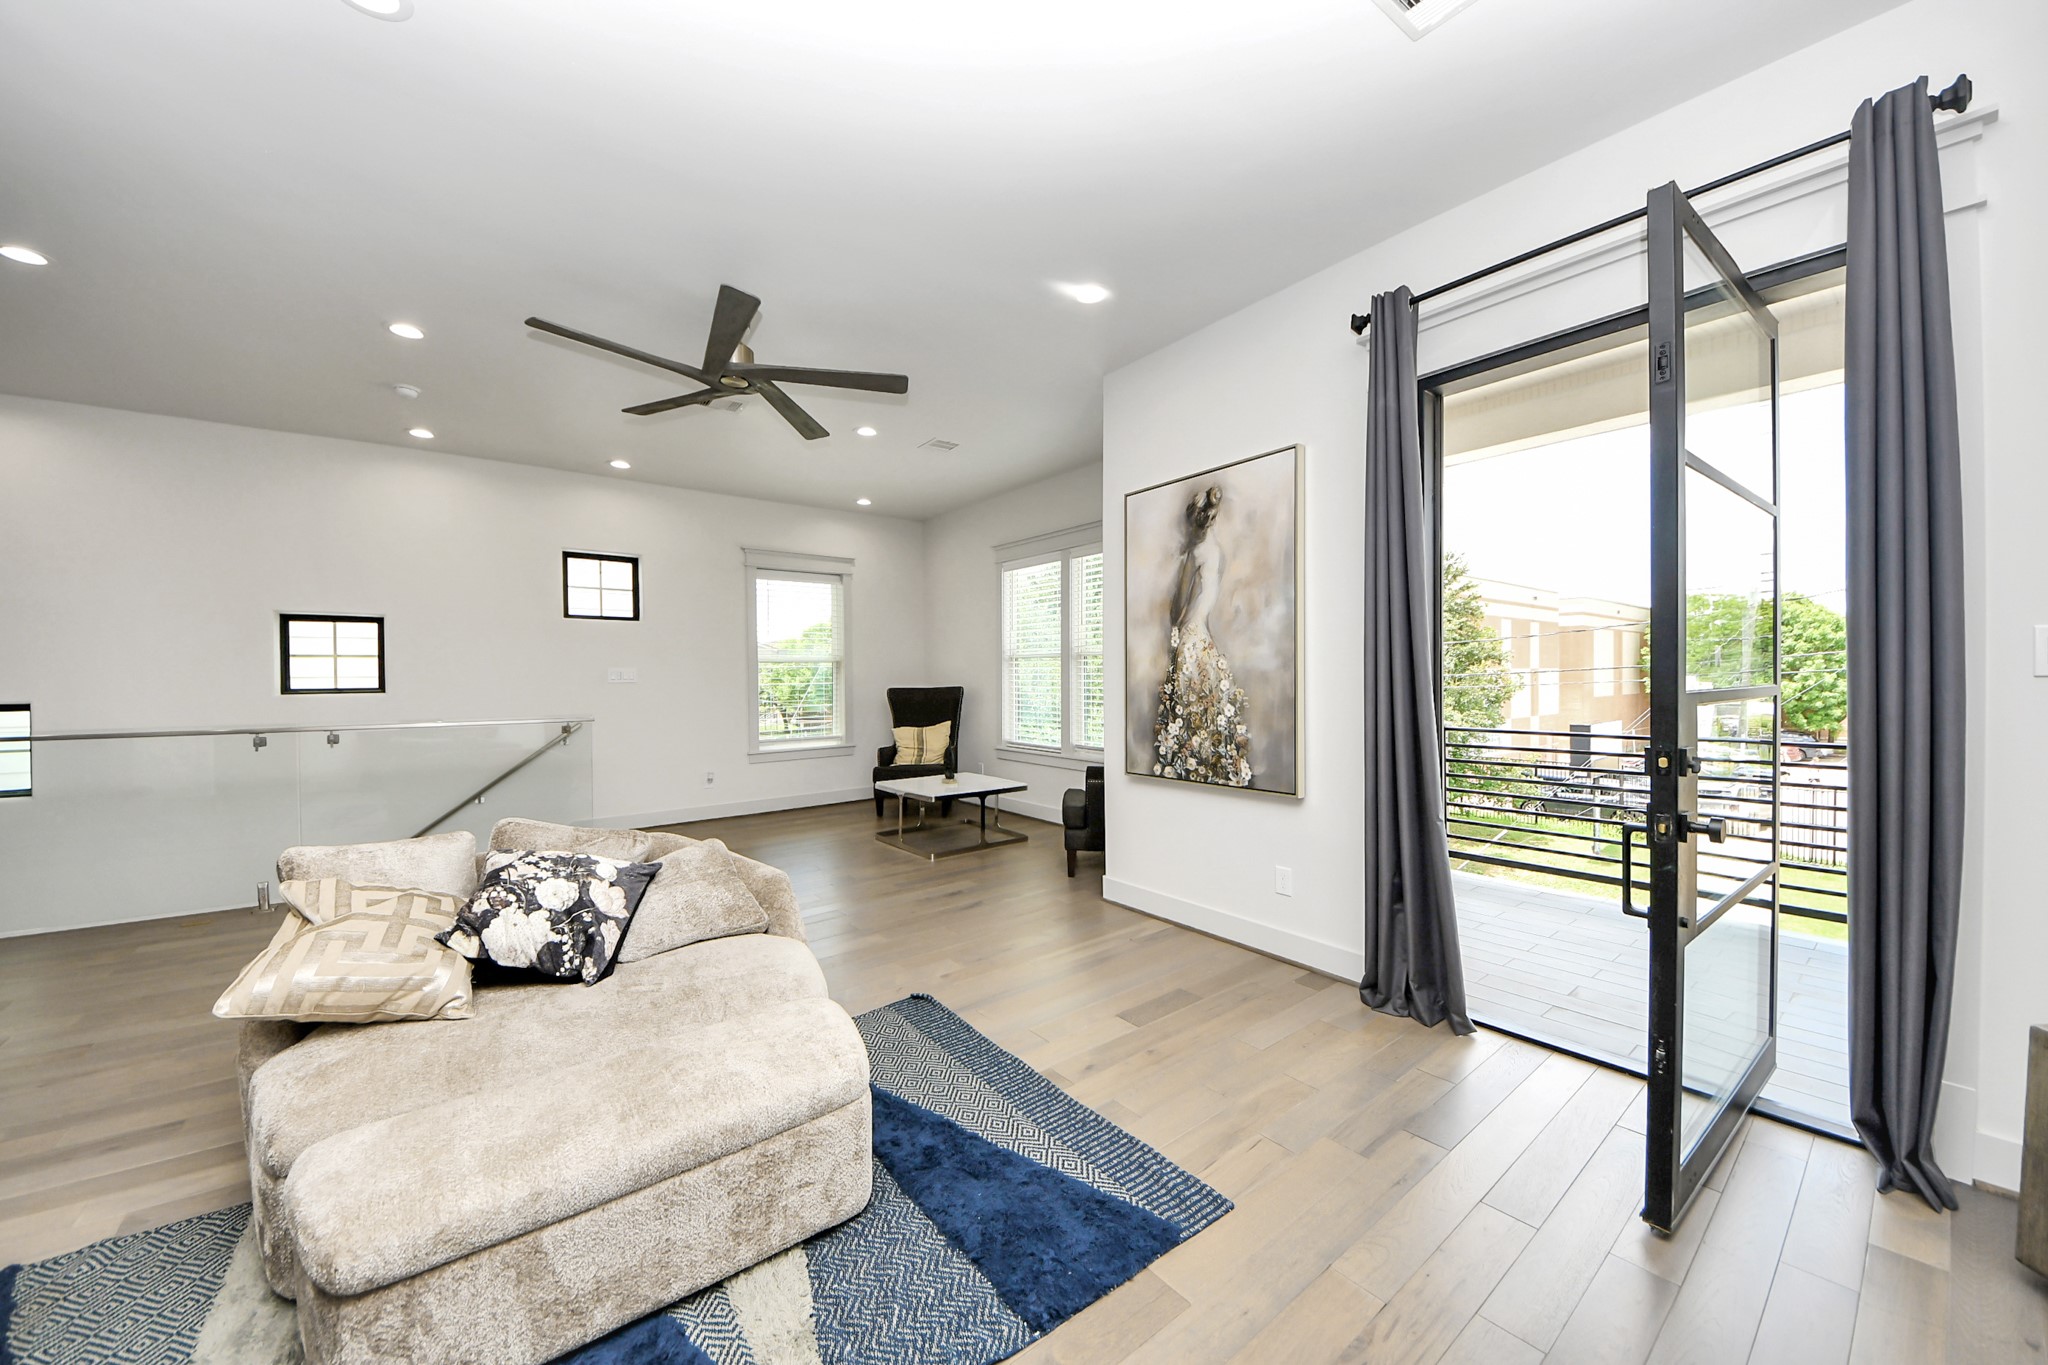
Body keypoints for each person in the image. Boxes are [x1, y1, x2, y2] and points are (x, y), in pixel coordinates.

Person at [1153, 485, 1253, 786]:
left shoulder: (1196, 552)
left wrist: (1175, 621)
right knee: (1205, 703)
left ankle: (1196, 766)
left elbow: (1177, 607)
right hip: (1203, 633)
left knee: (1189, 706)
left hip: (1190, 634)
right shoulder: (1217, 551)